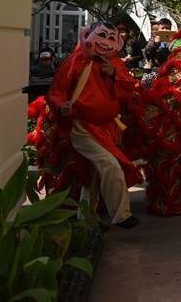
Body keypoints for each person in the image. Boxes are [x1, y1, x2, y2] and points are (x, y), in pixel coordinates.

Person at [46, 21, 142, 229]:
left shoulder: (115, 63)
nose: (106, 43)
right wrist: (61, 105)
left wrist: (114, 75)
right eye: (102, 36)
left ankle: (87, 219)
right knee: (110, 164)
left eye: (111, 38)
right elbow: (56, 92)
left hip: (109, 127)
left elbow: (128, 88)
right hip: (83, 127)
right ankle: (122, 215)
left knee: (94, 173)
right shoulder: (74, 62)